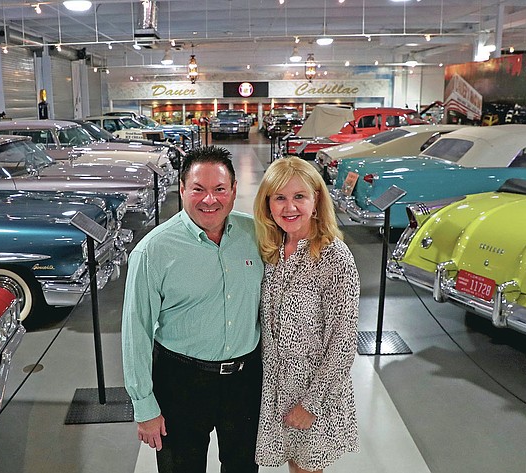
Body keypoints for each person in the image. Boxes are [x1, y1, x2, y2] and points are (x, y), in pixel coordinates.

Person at [122, 145, 265, 473]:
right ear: (182, 189)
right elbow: (136, 331)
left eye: (219, 189)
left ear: (233, 191)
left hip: (245, 382)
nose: (209, 200)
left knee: (244, 467)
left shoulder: (255, 235)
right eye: (198, 189)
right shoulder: (153, 251)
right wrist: (144, 406)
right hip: (180, 382)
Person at [253, 156, 360, 473]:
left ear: (316, 201)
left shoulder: (334, 256)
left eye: (299, 196)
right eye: (280, 198)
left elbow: (343, 341)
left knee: (306, 469)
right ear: (268, 204)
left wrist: (312, 404)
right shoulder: (272, 249)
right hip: (274, 387)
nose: (289, 207)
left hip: (313, 393)